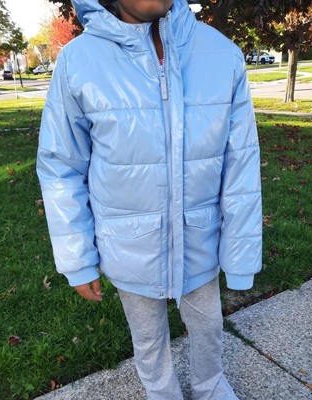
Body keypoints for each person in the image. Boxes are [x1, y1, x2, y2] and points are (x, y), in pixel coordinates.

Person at [36, 0, 263, 399]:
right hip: (129, 246)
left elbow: (240, 163)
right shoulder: (79, 61)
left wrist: (241, 259)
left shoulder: (221, 54)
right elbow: (61, 165)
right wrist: (77, 259)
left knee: (209, 327)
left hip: (200, 241)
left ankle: (211, 385)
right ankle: (161, 392)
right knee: (148, 341)